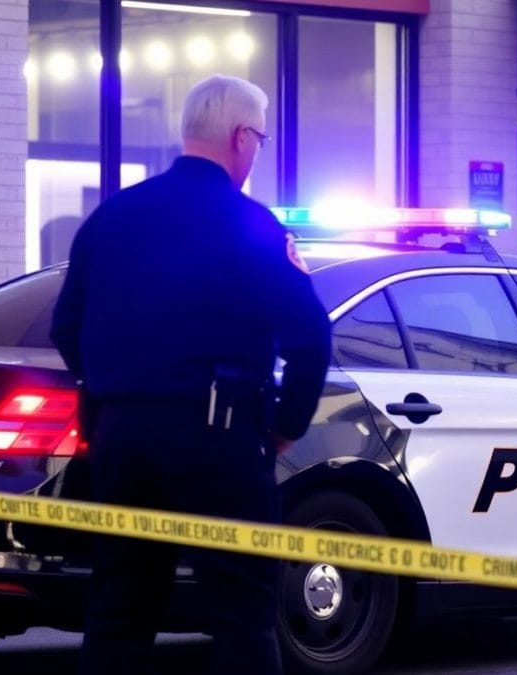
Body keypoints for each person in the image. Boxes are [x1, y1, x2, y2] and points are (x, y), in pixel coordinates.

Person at [50, 74, 331, 675]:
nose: (258, 151)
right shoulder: (252, 224)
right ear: (240, 137)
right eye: (259, 138)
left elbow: (64, 327)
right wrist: (285, 425)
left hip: (121, 442)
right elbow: (311, 335)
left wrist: (113, 387)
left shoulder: (111, 219)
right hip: (218, 436)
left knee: (120, 610)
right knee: (240, 612)